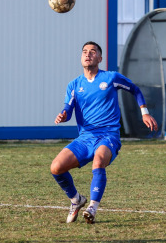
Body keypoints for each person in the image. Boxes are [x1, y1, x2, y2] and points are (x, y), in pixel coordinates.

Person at [51, 41, 158, 224]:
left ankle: (92, 207)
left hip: (108, 135)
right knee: (56, 168)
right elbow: (68, 109)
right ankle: (76, 200)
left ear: (100, 58)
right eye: (85, 52)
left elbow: (135, 89)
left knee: (99, 160)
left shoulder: (110, 78)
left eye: (93, 52)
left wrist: (145, 113)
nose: (88, 54)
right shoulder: (74, 85)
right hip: (85, 138)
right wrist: (63, 115)